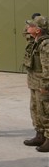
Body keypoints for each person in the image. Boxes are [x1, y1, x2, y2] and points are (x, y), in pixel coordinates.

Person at [22, 15, 49, 152]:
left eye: (31, 26)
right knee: (35, 110)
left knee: (46, 111)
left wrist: (45, 85)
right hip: (34, 83)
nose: (28, 28)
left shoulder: (45, 44)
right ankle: (40, 135)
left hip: (42, 84)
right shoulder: (35, 41)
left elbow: (48, 68)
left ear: (38, 30)